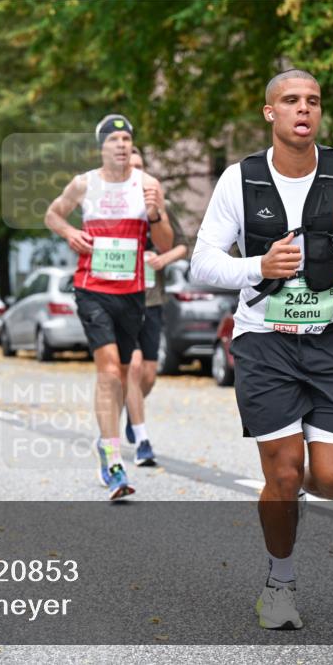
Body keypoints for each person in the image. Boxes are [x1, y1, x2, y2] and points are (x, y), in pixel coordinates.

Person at [190, 69, 333, 630]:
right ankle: (280, 583)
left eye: (313, 101)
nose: (304, 109)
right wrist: (257, 265)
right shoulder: (239, 179)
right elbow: (203, 261)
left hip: (328, 341)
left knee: (332, 481)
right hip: (263, 341)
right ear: (269, 112)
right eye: (291, 101)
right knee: (283, 474)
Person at [45, 115, 173, 499]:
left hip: (132, 293)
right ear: (101, 146)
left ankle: (107, 443)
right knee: (107, 371)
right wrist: (70, 232)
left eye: (126, 138)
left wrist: (155, 214)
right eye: (114, 138)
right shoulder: (84, 183)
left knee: (121, 372)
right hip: (91, 288)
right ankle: (114, 461)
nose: (121, 144)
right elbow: (52, 214)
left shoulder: (149, 185)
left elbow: (164, 244)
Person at [124, 147, 189, 466]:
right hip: (122, 300)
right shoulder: (109, 206)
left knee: (148, 373)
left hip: (153, 299)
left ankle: (130, 410)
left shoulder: (159, 205)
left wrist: (164, 258)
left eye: (139, 167)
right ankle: (143, 439)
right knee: (133, 367)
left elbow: (182, 244)